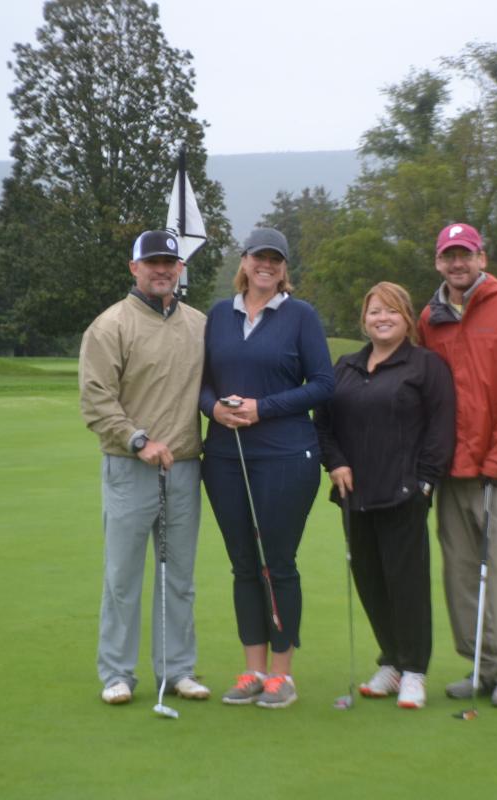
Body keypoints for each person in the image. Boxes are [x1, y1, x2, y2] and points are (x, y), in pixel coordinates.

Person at [200, 227, 334, 709]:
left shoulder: (300, 316)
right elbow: (200, 383)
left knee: (276, 564)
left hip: (285, 455)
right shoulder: (219, 314)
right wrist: (214, 409)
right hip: (224, 457)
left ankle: (282, 675)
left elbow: (322, 384)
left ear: (284, 268)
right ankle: (252, 669)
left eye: (276, 260)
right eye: (260, 257)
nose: (267, 266)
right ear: (245, 260)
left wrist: (264, 407)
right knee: (243, 566)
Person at [417, 222, 497, 709]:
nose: (457, 263)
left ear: (482, 258)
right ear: (438, 262)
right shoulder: (430, 319)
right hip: (452, 468)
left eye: (465, 254)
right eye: (449, 256)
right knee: (460, 571)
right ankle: (480, 666)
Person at [79, 230, 211, 706]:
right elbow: (95, 400)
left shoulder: (198, 323)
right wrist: (138, 440)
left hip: (184, 467)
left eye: (169, 263)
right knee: (123, 576)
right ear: (134, 268)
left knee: (178, 576)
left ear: (180, 269)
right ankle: (117, 672)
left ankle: (177, 669)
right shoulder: (110, 325)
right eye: (152, 262)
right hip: (129, 466)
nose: (161, 270)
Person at [315, 282, 455, 709]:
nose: (382, 318)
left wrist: (425, 483)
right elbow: (323, 425)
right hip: (355, 495)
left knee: (407, 584)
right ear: (364, 319)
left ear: (407, 318)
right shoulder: (346, 367)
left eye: (392, 311)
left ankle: (414, 670)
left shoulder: (425, 366)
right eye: (375, 311)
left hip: (404, 494)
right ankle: (391, 662)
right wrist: (335, 463)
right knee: (371, 581)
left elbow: (440, 429)